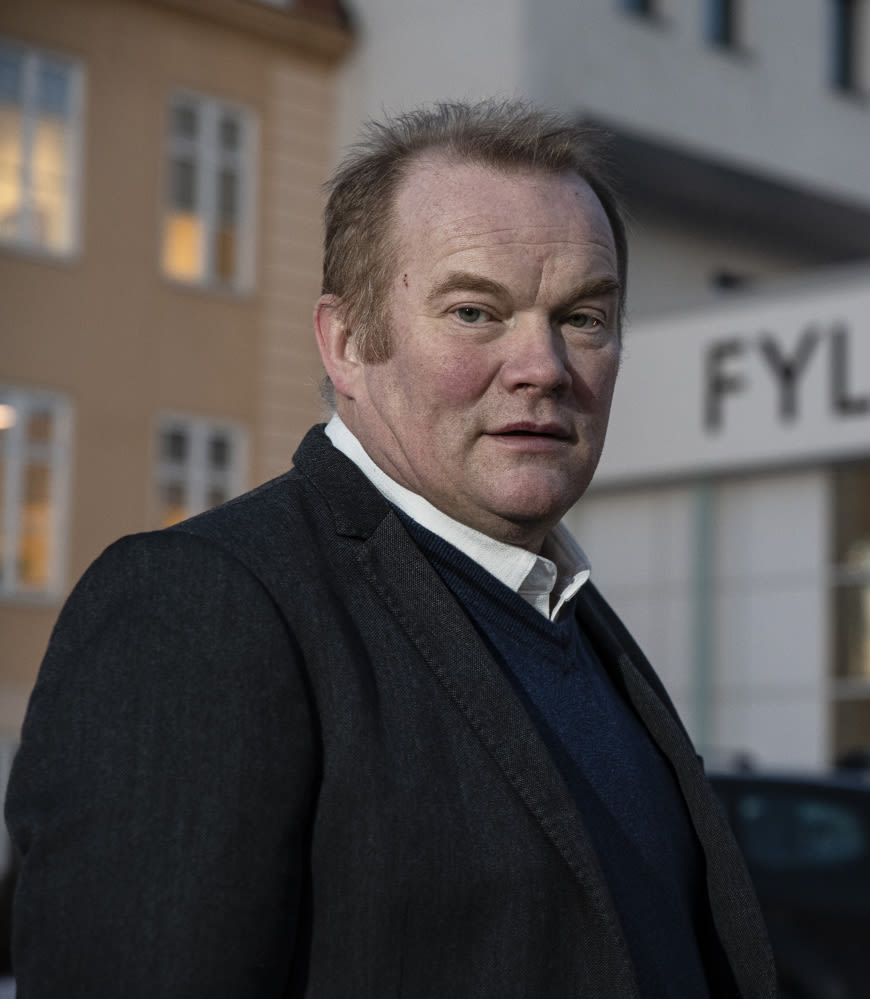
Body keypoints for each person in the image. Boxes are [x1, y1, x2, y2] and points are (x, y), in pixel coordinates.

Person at [4, 99, 777, 998]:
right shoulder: (199, 610)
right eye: (475, 312)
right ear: (346, 344)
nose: (544, 366)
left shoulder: (566, 613)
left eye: (583, 317)